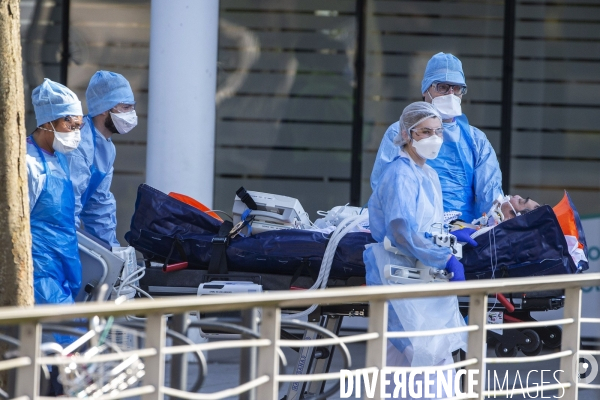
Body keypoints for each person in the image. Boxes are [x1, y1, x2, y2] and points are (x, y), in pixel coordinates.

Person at [364, 102, 470, 397]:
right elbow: (401, 232)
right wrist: (444, 257)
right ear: (407, 134)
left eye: (438, 131)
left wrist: (453, 235)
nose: (434, 138)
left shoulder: (429, 175)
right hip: (399, 278)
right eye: (425, 132)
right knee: (428, 366)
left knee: (397, 373)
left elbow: (427, 227)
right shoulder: (400, 174)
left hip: (423, 278)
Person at [371, 52, 503, 223]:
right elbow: (384, 189)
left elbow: (490, 195)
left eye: (457, 88)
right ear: (426, 90)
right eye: (442, 87)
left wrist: (484, 226)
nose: (451, 94)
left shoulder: (476, 140)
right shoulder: (400, 131)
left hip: (464, 232)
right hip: (412, 228)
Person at [28, 78, 84, 307]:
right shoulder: (27, 162)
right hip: (38, 270)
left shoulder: (60, 158)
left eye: (79, 127)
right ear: (48, 122)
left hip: (64, 266)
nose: (75, 133)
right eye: (71, 126)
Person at [66, 71, 137, 247]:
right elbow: (66, 204)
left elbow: (98, 205)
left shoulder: (106, 147)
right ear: (105, 109)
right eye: (125, 107)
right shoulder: (79, 142)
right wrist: (66, 247)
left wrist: (110, 250)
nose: (132, 114)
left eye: (132, 107)